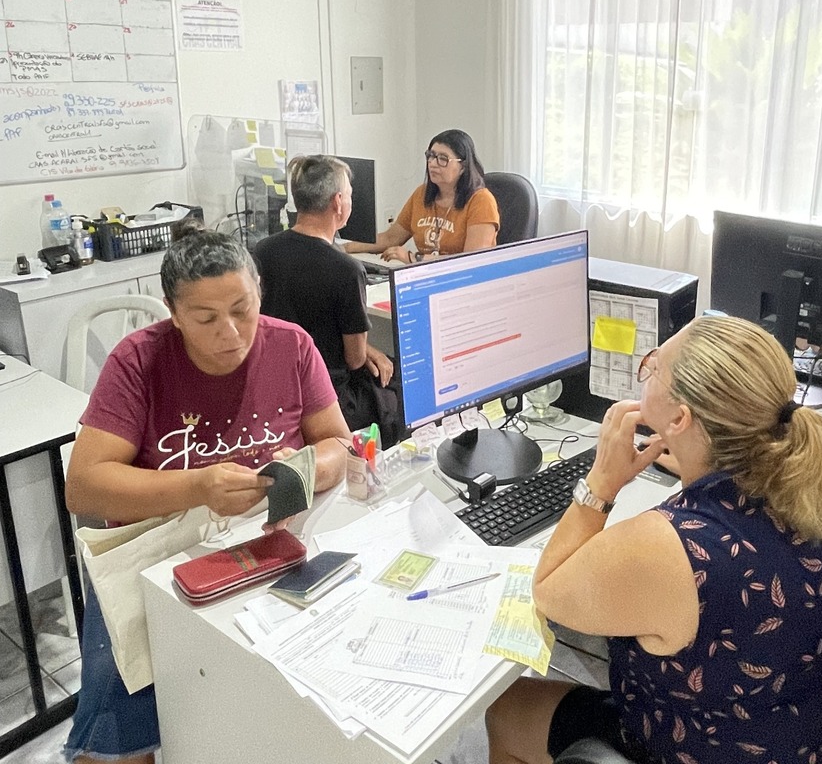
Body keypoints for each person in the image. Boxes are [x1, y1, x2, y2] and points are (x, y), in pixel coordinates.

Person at [486, 316, 822, 764]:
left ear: (680, 417)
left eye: (653, 366)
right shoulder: (817, 494)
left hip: (710, 747)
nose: (645, 373)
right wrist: (689, 461)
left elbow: (549, 593)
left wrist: (601, 482)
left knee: (507, 710)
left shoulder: (672, 547)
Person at [63, 228, 351, 764]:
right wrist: (195, 486)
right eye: (206, 318)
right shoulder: (139, 361)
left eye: (242, 309)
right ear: (173, 311)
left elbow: (338, 442)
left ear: (259, 291)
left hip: (268, 544)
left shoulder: (290, 344)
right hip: (163, 554)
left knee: (287, 702)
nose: (231, 332)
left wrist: (301, 469)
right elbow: (84, 487)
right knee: (122, 723)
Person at [253, 154, 401, 447]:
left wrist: (365, 346)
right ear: (337, 202)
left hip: (278, 390)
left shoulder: (264, 250)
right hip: (330, 399)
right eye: (349, 195)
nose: (350, 201)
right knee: (399, 382)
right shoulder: (346, 270)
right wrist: (365, 347)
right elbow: (355, 359)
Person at [344, 129, 500, 263]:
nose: (432, 163)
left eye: (443, 159)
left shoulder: (481, 201)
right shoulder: (422, 194)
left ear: (463, 167)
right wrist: (344, 248)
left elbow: (470, 263)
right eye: (431, 156)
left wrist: (414, 258)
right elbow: (390, 238)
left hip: (461, 286)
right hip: (425, 277)